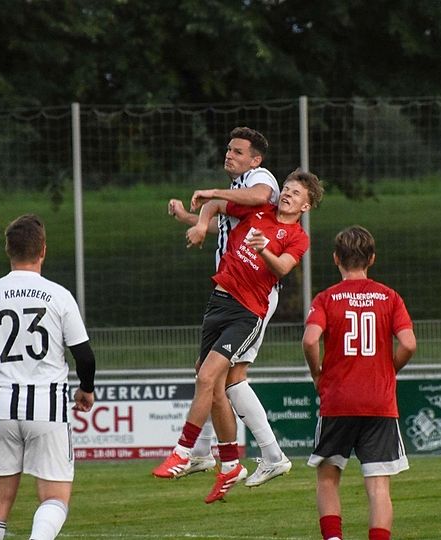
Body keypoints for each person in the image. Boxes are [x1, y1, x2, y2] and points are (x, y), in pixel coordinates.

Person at [155, 169, 324, 503]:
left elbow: (282, 267)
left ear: (305, 207)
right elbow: (219, 211)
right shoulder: (258, 211)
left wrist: (263, 250)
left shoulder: (297, 236)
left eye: (295, 193)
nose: (287, 194)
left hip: (247, 312)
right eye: (286, 188)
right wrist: (195, 217)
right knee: (215, 383)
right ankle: (231, 464)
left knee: (210, 377)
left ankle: (184, 451)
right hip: (218, 300)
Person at [0, 214, 97, 540]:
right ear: (43, 250)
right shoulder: (58, 295)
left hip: (2, 407)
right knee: (55, 498)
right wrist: (86, 389)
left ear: (8, 250)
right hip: (47, 407)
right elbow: (84, 355)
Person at [166, 126, 291, 487]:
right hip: (230, 291)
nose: (229, 155)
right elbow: (222, 222)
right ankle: (206, 453)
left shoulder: (259, 179)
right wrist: (189, 219)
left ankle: (271, 455)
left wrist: (212, 193)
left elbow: (260, 194)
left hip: (252, 294)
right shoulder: (239, 191)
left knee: (229, 377)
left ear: (255, 159)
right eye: (228, 149)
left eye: (238, 151)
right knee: (208, 373)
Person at [302, 225, 417, 540]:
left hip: (338, 400)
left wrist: (316, 373)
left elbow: (310, 340)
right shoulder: (390, 297)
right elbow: (408, 344)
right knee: (378, 485)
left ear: (336, 258)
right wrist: (388, 369)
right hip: (379, 402)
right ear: (372, 259)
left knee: (328, 477)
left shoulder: (327, 298)